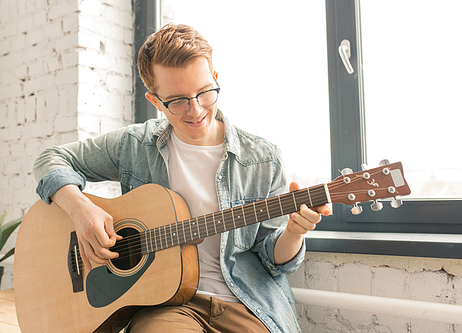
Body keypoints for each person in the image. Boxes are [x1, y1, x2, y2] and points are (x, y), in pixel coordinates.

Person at [33, 23, 330, 333]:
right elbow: (50, 159)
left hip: (246, 302)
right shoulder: (135, 145)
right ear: (155, 101)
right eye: (177, 101)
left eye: (205, 93)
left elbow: (274, 261)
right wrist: (81, 211)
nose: (196, 110)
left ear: (216, 79)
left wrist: (295, 231)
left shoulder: (263, 158)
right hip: (167, 306)